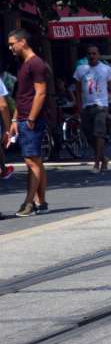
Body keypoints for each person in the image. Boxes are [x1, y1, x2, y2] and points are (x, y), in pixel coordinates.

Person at [7, 29, 50, 217]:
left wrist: (31, 118)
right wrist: (16, 118)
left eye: (12, 43)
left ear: (22, 42)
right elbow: (21, 96)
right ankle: (41, 201)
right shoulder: (24, 64)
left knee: (31, 161)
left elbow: (40, 93)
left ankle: (29, 203)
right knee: (35, 162)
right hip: (23, 117)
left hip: (31, 119)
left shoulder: (36, 63)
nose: (11, 48)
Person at [73, 45, 111, 173]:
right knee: (89, 135)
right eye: (89, 53)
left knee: (99, 133)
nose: (92, 56)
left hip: (101, 106)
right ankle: (103, 158)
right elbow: (77, 90)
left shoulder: (106, 69)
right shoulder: (81, 70)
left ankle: (96, 163)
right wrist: (78, 107)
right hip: (86, 106)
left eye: (94, 53)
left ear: (98, 55)